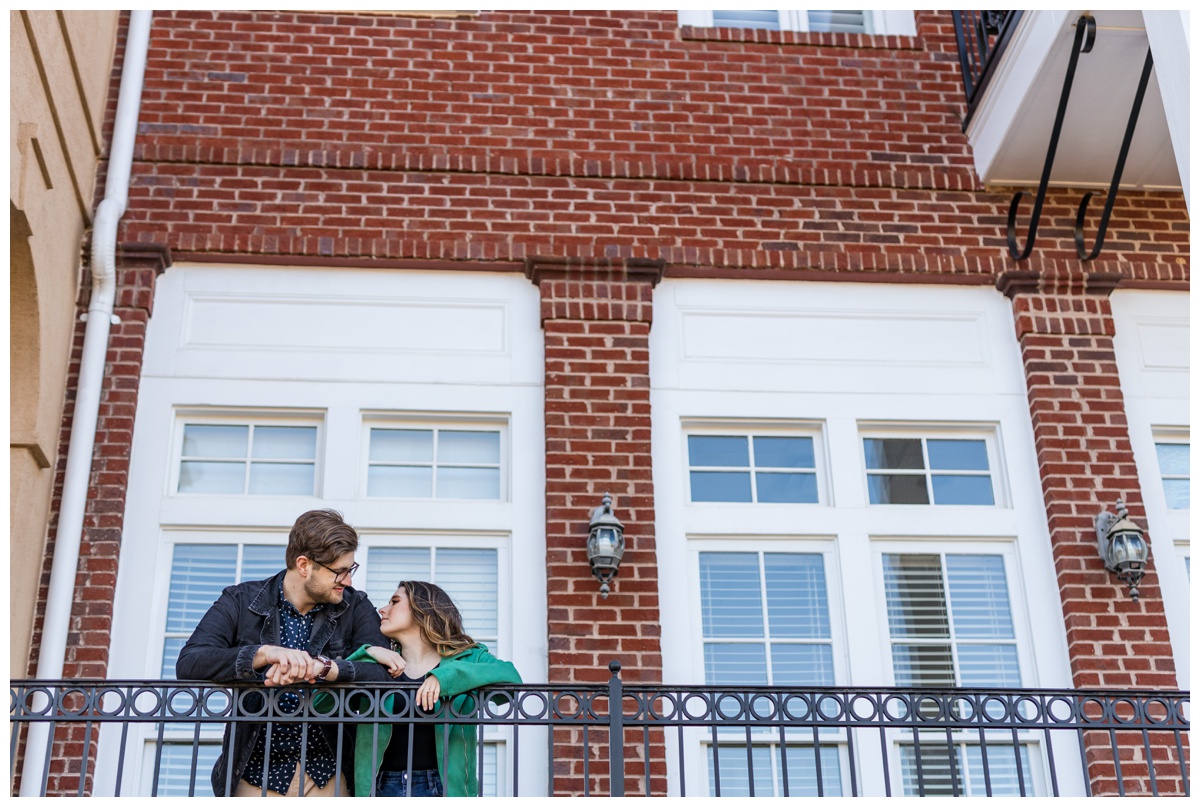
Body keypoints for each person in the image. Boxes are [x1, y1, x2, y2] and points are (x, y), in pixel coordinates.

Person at [176, 509, 393, 797]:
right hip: (254, 776)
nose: (347, 580)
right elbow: (191, 661)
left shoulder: (356, 607)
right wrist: (263, 654)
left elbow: (383, 673)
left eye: (350, 570)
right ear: (304, 565)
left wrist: (327, 668)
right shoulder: (240, 600)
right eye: (339, 572)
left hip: (329, 774)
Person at [343, 581, 522, 797]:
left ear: (422, 610)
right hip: (381, 788)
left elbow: (511, 681)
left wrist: (445, 678)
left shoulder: (467, 658)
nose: (383, 609)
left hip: (443, 789)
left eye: (395, 602)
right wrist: (367, 654)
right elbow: (321, 705)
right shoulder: (377, 663)